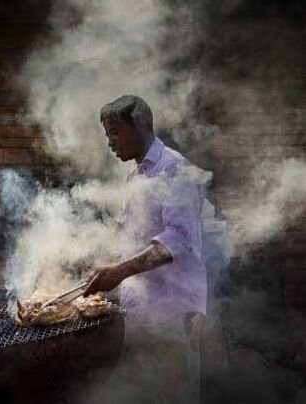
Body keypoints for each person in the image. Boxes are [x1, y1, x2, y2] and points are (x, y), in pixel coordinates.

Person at [84, 95, 206, 404]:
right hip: (141, 312)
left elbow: (176, 240)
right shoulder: (134, 177)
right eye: (107, 135)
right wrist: (107, 268)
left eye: (115, 132)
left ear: (141, 125)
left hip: (172, 315)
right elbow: (134, 240)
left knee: (175, 395)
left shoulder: (175, 169)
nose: (110, 142)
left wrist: (119, 271)